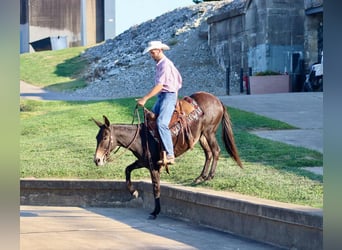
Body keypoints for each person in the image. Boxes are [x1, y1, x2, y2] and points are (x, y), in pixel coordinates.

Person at [137, 41, 182, 165]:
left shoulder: (165, 64)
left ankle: (170, 154)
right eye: (150, 53)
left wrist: (145, 98)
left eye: (152, 52)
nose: (151, 55)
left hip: (168, 96)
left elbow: (159, 86)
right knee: (149, 118)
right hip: (163, 96)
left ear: (159, 50)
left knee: (161, 123)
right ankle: (154, 148)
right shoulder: (160, 64)